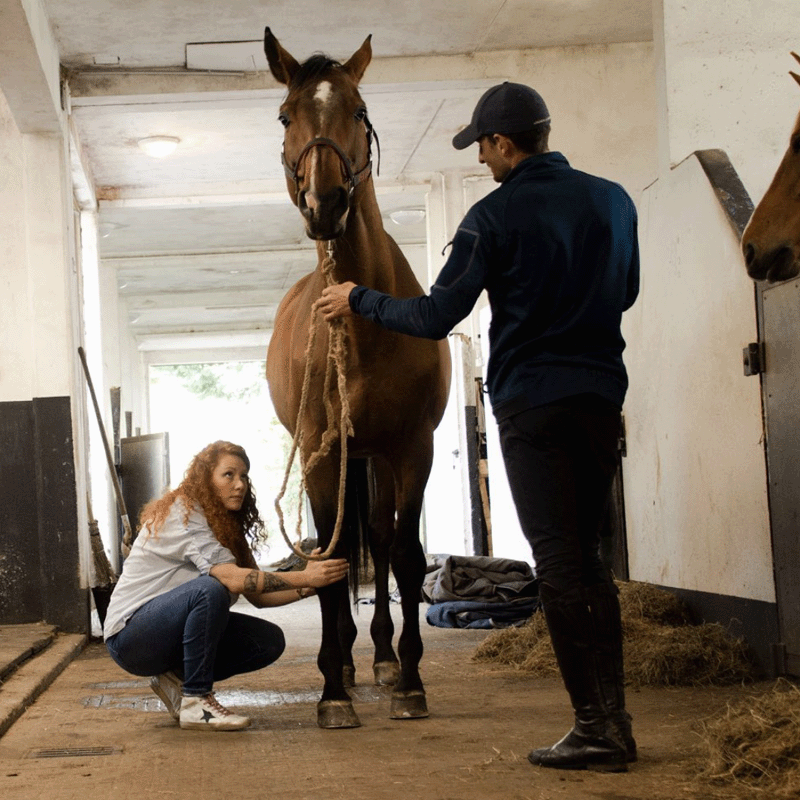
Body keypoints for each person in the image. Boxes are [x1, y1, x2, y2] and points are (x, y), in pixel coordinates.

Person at [314, 82, 640, 771]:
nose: (484, 161)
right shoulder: (614, 201)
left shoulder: (489, 218)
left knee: (557, 566)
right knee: (595, 563)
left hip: (532, 405)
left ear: (501, 143)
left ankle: (595, 728)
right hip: (601, 400)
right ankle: (614, 719)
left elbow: (435, 318)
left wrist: (358, 298)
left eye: (483, 147)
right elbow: (627, 289)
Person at [104, 440, 348, 731]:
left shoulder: (225, 526)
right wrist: (306, 576)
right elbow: (233, 579)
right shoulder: (185, 514)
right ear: (206, 479)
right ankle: (196, 702)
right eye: (228, 475)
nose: (240, 484)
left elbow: (258, 595)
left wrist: (310, 587)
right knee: (211, 590)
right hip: (131, 638)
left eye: (244, 476)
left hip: (165, 635)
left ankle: (178, 677)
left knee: (267, 641)